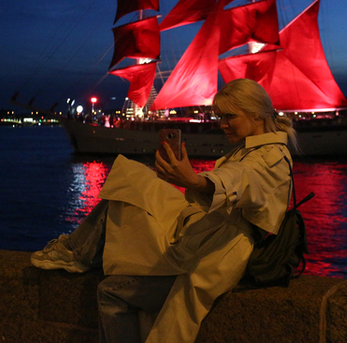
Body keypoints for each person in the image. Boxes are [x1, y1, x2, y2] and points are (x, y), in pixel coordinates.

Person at [31, 79, 298, 343]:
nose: (222, 124)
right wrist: (188, 180)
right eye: (220, 116)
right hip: (206, 232)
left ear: (257, 114)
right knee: (130, 178)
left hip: (220, 253)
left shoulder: (270, 157)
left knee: (112, 293)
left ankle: (78, 254)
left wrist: (194, 181)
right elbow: (236, 178)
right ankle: (79, 251)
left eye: (230, 116)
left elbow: (241, 178)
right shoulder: (256, 149)